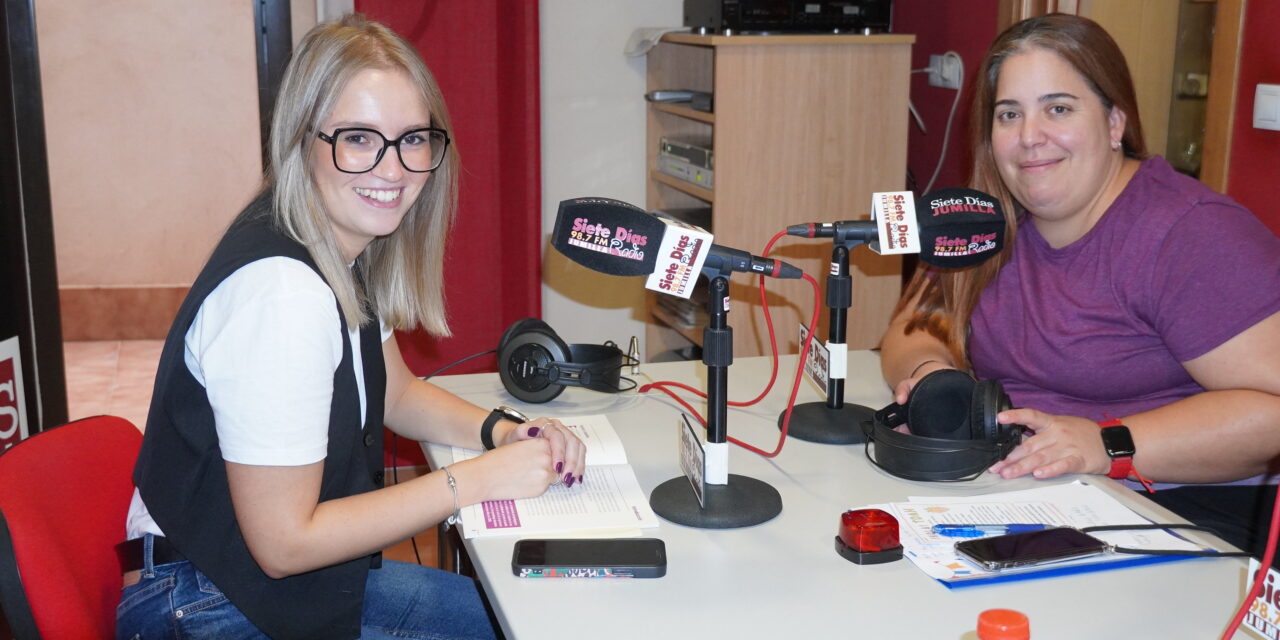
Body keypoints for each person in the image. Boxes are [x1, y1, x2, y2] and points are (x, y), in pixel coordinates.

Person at [117, 15, 586, 640]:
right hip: (203, 600)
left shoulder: (340, 244)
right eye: (359, 138)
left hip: (269, 584)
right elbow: (284, 544)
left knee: (530, 618)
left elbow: (396, 392)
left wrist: (503, 432)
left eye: (413, 139)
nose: (393, 170)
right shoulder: (282, 294)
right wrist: (474, 480)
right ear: (302, 139)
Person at [880, 14, 1280, 557]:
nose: (1029, 138)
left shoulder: (1190, 234)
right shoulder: (986, 218)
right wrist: (934, 384)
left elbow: (1272, 410)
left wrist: (1107, 443)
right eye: (1009, 114)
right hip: (1034, 490)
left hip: (1187, 504)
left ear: (1115, 122)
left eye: (1058, 109)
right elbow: (914, 327)